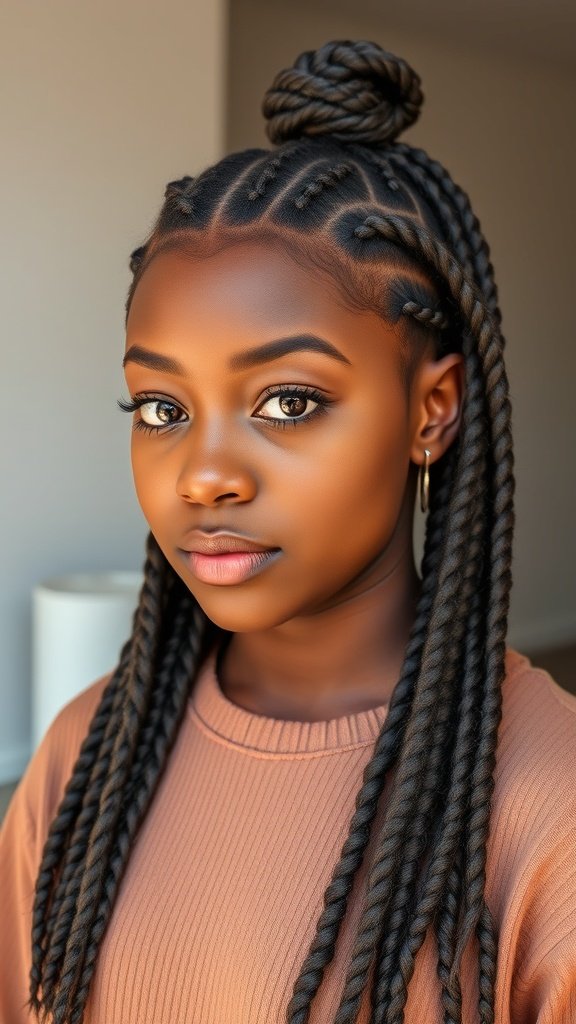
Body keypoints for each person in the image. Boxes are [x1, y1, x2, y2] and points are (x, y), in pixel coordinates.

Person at [1, 39, 575, 1024]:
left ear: (432, 410)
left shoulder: (547, 804)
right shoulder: (83, 757)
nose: (205, 473)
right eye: (159, 408)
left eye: (290, 400)